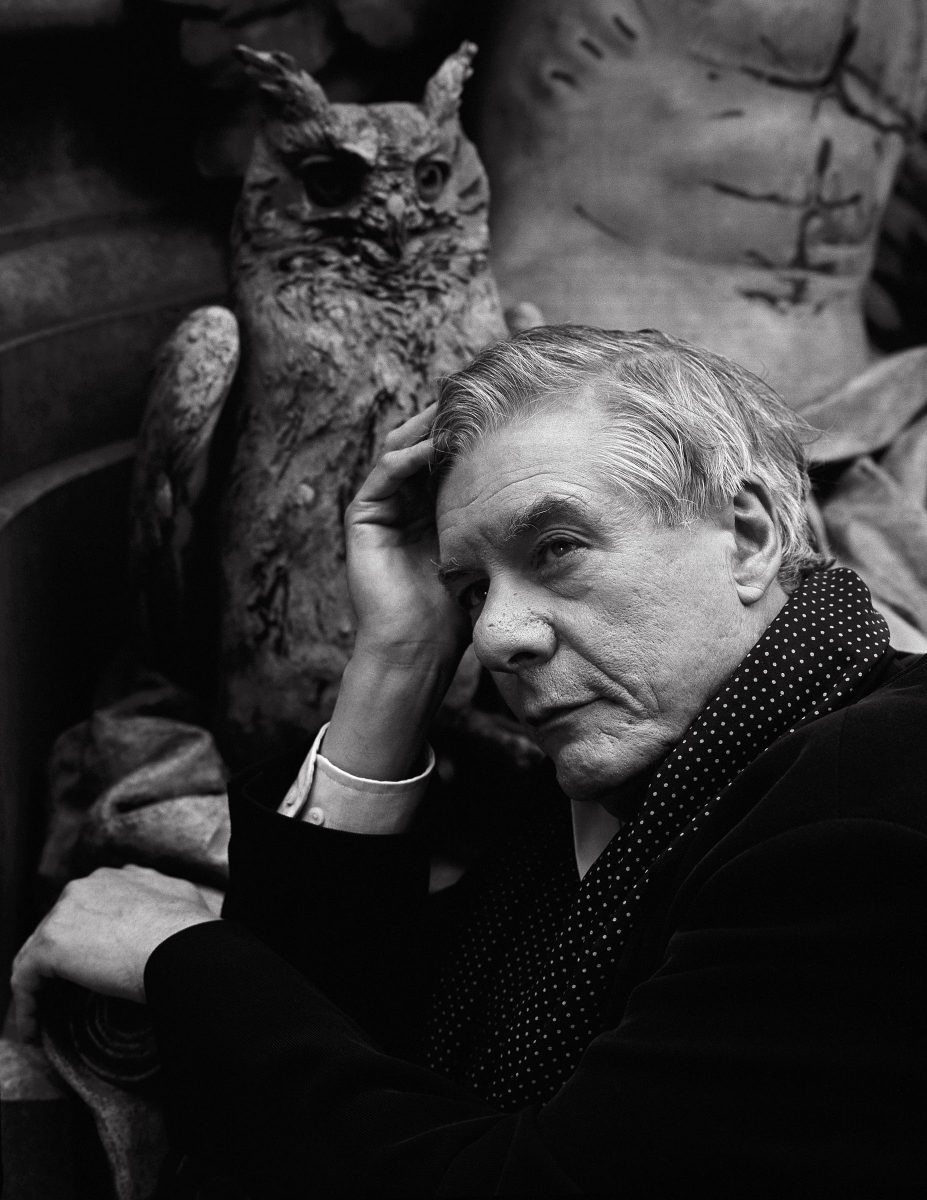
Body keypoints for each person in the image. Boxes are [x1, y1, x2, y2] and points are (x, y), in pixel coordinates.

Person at [12, 326, 927, 1197]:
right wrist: (400, 653)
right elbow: (352, 1041)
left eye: (558, 548)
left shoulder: (873, 788)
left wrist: (182, 960)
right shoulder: (630, 788)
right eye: (470, 590)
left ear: (752, 536)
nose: (495, 637)